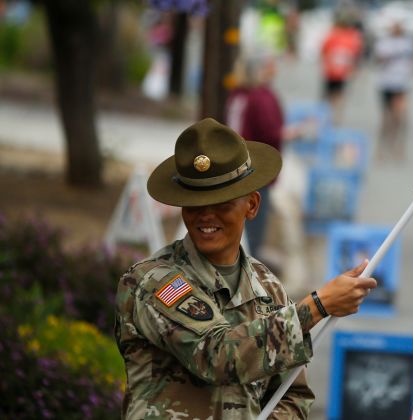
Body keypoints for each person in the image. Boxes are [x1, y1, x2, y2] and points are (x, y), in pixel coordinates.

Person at [114, 118, 377, 418]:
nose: (206, 216)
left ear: (251, 205)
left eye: (222, 203)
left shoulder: (267, 286)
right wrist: (316, 307)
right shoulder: (153, 282)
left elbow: (292, 393)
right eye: (194, 204)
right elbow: (216, 355)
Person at [226, 52, 284, 261]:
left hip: (233, 166)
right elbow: (270, 132)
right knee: (253, 227)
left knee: (235, 224)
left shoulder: (236, 95)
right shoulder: (260, 97)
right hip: (256, 167)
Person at [373, 18, 413, 161]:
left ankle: (398, 147)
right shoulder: (384, 43)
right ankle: (382, 148)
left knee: (400, 117)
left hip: (402, 84)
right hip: (387, 83)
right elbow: (377, 60)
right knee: (386, 119)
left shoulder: (408, 43)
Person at [320, 12, 363, 123]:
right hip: (336, 72)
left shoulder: (336, 35)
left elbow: (324, 52)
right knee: (335, 99)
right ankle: (332, 120)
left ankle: (332, 120)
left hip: (336, 72)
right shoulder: (349, 37)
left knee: (333, 98)